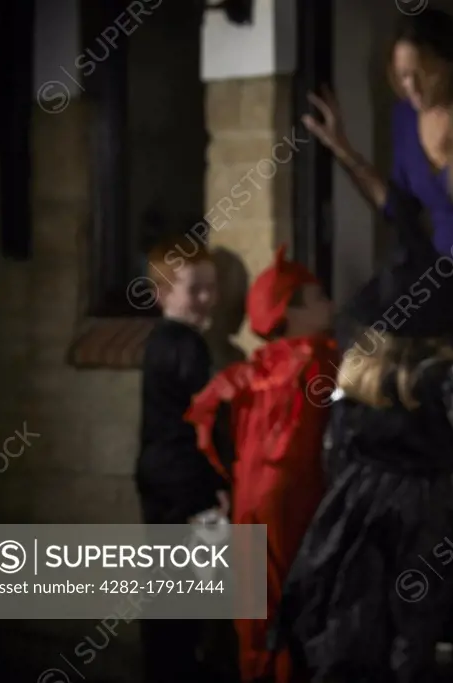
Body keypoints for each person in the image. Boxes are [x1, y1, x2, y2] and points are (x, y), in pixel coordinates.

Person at [301, 8, 453, 646]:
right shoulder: (402, 117)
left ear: (449, 62)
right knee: (420, 432)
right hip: (433, 290)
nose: (411, 88)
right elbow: (401, 207)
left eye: (420, 74)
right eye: (400, 78)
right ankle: (419, 594)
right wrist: (342, 151)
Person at [270, 187, 453, 683]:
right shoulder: (445, 379)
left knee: (356, 595)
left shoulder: (353, 378)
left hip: (358, 500)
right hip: (424, 505)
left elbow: (334, 450)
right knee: (414, 608)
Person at [185, 245, 337, 683]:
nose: (330, 304)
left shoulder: (257, 366)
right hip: (291, 498)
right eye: (317, 297)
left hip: (249, 495)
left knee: (255, 606)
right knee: (291, 601)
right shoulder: (319, 360)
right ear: (288, 311)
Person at [134, 233, 229, 683]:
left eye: (212, 286)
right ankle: (179, 664)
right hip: (184, 478)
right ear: (162, 294)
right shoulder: (187, 346)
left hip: (158, 471)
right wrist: (218, 484)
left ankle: (165, 662)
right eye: (195, 288)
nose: (207, 298)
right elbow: (207, 416)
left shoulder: (160, 342)